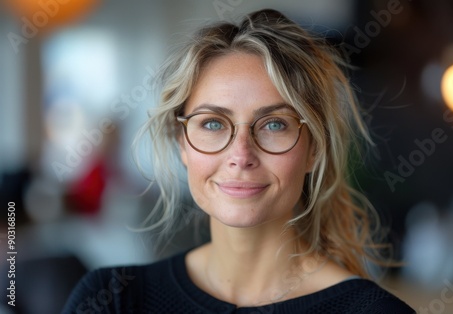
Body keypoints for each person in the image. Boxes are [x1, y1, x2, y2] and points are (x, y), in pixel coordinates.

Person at [63, 9, 415, 313]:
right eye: (212, 124)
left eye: (274, 124)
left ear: (314, 149)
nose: (241, 155)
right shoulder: (112, 301)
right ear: (182, 143)